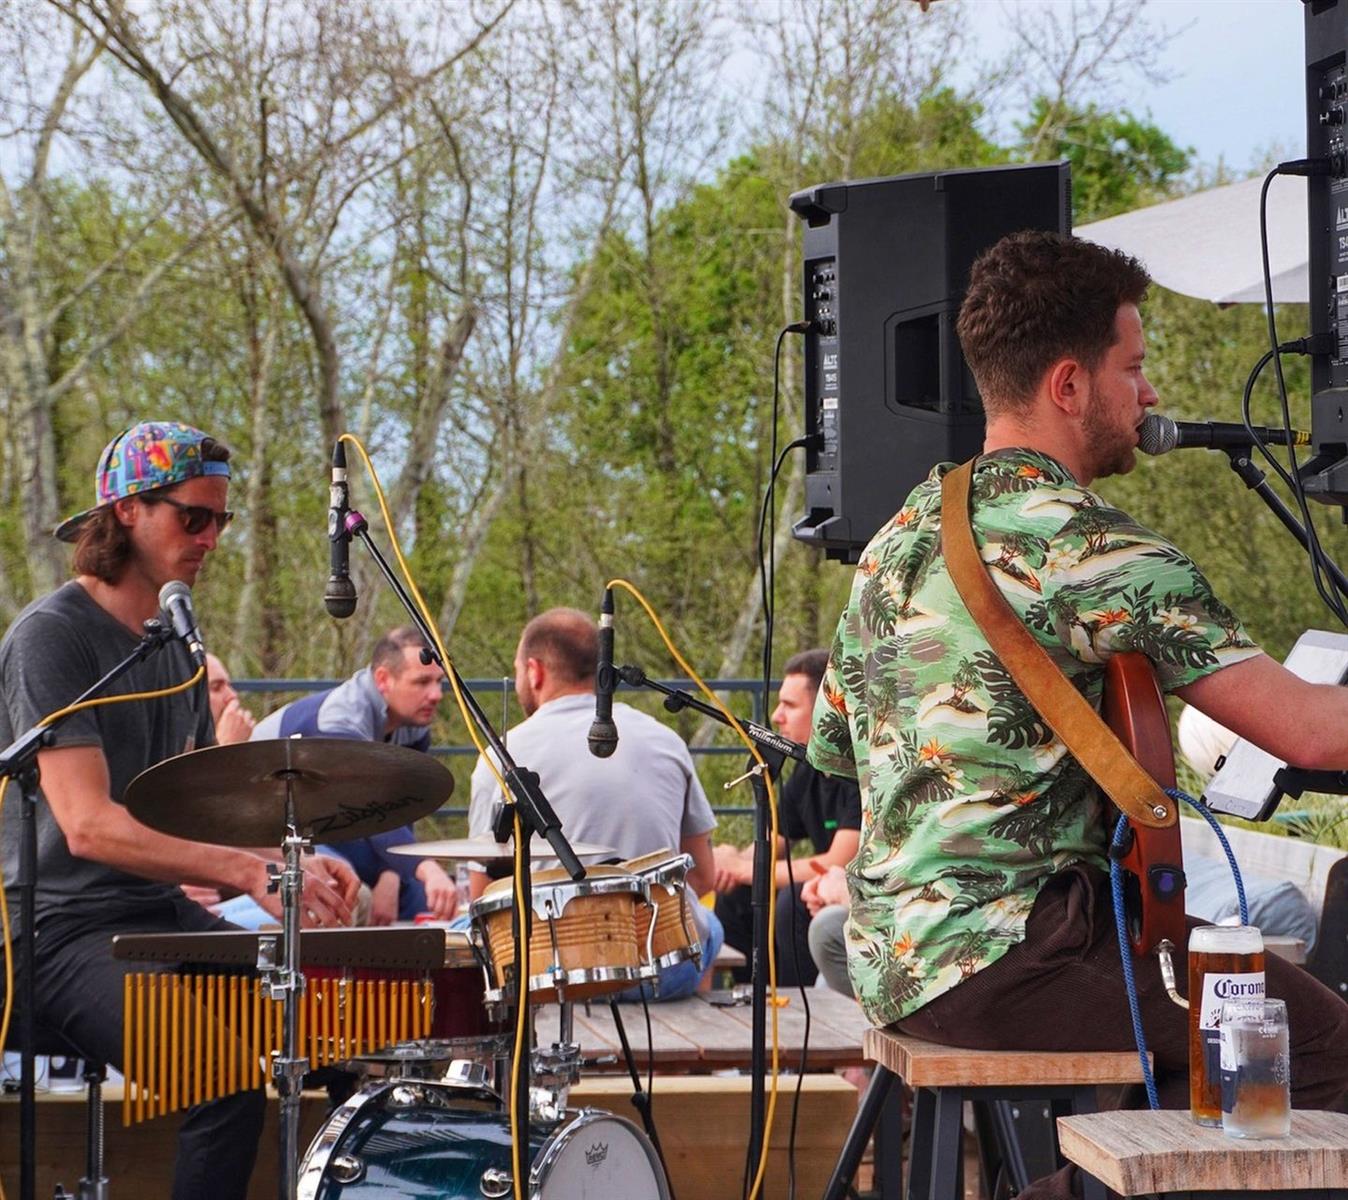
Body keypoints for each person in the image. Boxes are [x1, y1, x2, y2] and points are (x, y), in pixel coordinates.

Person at [806, 232, 1348, 1194]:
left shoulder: (895, 541)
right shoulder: (1096, 551)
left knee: (1227, 1053)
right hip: (1018, 959)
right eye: (1132, 368)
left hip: (892, 957)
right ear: (1068, 384)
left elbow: (836, 750)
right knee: (1321, 1056)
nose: (1148, 395)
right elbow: (1313, 732)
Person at [0, 420, 357, 1200]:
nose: (211, 538)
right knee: (221, 1078)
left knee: (344, 1039)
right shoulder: (51, 639)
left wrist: (293, 861)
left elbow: (197, 813)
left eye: (220, 520)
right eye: (192, 517)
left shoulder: (176, 644)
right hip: (55, 931)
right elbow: (87, 825)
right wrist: (243, 869)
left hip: (151, 915)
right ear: (128, 511)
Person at [466, 607, 722, 1000]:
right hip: (658, 971)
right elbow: (702, 876)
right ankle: (694, 1051)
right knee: (710, 927)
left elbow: (484, 898)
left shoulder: (501, 755)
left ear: (534, 672)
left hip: (550, 977)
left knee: (457, 937)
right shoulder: (665, 739)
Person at [251, 625, 458, 924]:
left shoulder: (413, 724)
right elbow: (369, 807)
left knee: (422, 900)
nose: (436, 695)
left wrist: (392, 875)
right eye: (422, 682)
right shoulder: (339, 722)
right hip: (278, 828)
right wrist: (425, 866)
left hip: (337, 821)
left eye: (440, 682)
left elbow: (402, 807)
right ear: (383, 679)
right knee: (346, 890)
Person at [712, 649, 861, 987]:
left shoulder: (857, 771)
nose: (776, 716)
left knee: (791, 900)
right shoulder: (806, 771)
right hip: (823, 888)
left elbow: (835, 863)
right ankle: (750, 999)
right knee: (736, 895)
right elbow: (775, 842)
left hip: (851, 892)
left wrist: (744, 869)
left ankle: (798, 1009)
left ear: (826, 710)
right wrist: (731, 862)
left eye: (790, 706)